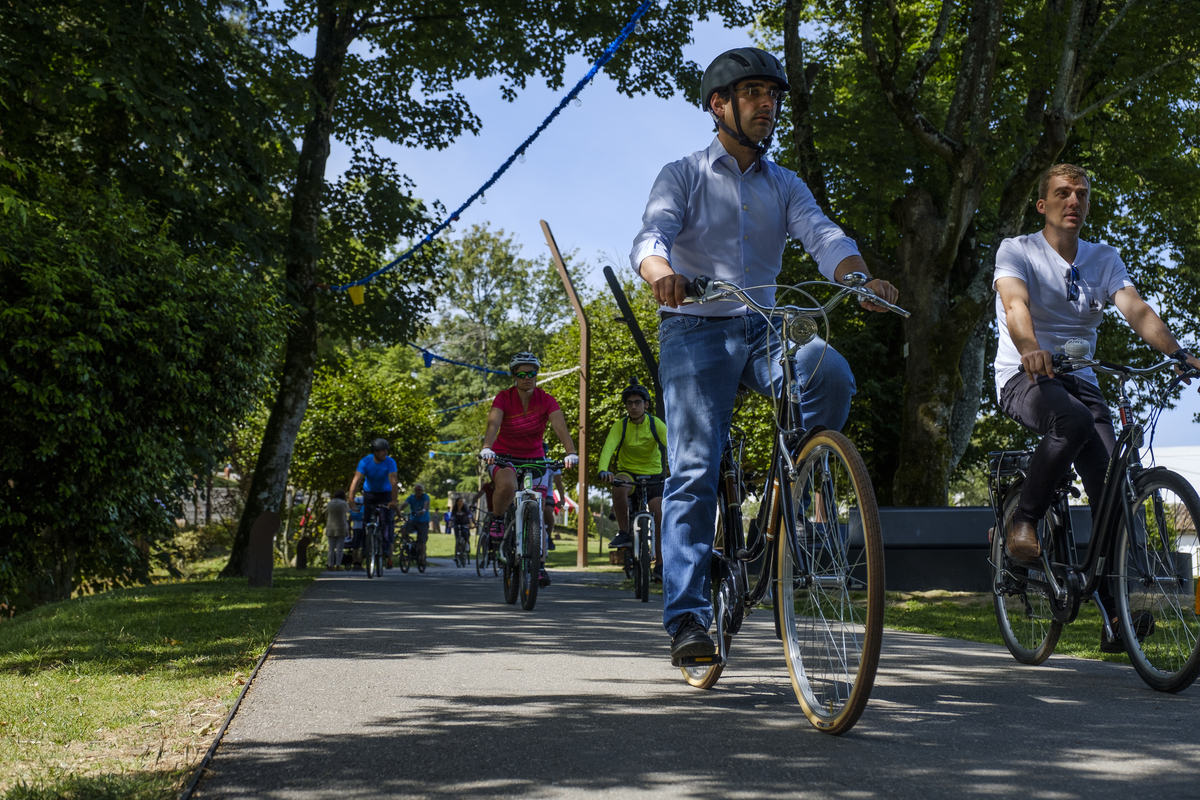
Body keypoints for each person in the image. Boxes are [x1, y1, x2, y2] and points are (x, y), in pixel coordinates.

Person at [630, 47, 900, 666]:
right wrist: (662, 274)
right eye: (752, 92)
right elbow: (651, 235)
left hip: (763, 326)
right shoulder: (683, 173)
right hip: (694, 326)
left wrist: (858, 278)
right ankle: (688, 619)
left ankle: (794, 481)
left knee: (828, 369)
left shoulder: (785, 184)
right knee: (693, 469)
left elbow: (823, 235)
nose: (767, 104)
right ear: (719, 105)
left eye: (773, 95)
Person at [993, 162, 1199, 651]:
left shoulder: (1103, 258)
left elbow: (1136, 309)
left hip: (1081, 380)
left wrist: (1177, 354)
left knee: (1113, 486)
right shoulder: (1017, 250)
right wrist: (1030, 349)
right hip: (1025, 375)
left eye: (1082, 194)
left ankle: (1114, 616)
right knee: (1073, 420)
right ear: (1042, 204)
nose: (1074, 201)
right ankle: (1024, 520)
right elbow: (1015, 305)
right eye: (1064, 193)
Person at [480, 352, 580, 588]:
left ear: (537, 374)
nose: (527, 378)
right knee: (507, 485)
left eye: (532, 373)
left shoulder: (546, 400)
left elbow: (560, 426)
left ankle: (539, 565)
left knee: (538, 510)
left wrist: (571, 452)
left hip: (535, 458)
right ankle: (498, 519)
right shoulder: (504, 397)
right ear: (514, 376)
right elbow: (493, 423)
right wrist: (487, 447)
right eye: (522, 374)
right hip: (504, 456)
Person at [598, 380, 668, 579]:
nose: (634, 407)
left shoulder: (655, 424)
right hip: (628, 472)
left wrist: (680, 467)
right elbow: (608, 447)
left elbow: (671, 445)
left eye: (638, 402)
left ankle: (660, 565)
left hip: (654, 474)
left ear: (646, 404)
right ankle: (624, 533)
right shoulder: (620, 426)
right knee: (618, 486)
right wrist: (603, 469)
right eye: (629, 403)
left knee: (659, 513)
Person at [348, 438, 399, 568]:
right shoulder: (365, 461)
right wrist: (351, 498)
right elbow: (356, 481)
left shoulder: (390, 462)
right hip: (370, 493)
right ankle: (366, 548)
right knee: (366, 521)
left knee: (386, 520)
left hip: (385, 493)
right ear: (375, 452)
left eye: (386, 450)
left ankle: (386, 547)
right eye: (382, 450)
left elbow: (393, 482)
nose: (385, 452)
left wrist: (393, 500)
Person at [402, 484, 432, 566]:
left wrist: (423, 510)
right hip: (413, 520)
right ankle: (408, 544)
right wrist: (398, 510)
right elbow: (405, 504)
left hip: (423, 521)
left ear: (422, 491)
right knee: (403, 529)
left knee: (422, 541)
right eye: (416, 490)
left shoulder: (425, 497)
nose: (418, 492)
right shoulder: (411, 497)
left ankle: (422, 558)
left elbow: (426, 504)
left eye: (419, 490)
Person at [325, 490, 350, 570]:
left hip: (330, 527)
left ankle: (330, 564)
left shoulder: (330, 503)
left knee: (331, 547)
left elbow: (326, 514)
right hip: (341, 527)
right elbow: (348, 513)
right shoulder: (344, 504)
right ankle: (338, 565)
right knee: (340, 547)